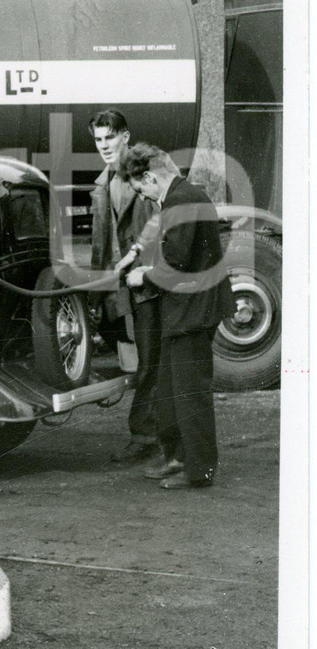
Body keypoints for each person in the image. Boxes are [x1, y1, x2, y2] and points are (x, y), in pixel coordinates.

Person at [119, 143, 235, 490]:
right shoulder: (181, 196)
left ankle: (199, 471)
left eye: (141, 189)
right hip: (187, 309)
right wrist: (138, 255)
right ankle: (178, 457)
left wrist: (142, 276)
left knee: (190, 393)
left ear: (150, 177)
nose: (142, 196)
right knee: (171, 389)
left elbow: (177, 262)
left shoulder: (180, 201)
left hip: (193, 311)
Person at [87, 109, 161, 463]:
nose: (104, 146)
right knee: (139, 360)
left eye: (110, 137)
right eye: (98, 139)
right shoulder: (102, 185)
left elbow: (171, 218)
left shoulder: (152, 171)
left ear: (126, 137)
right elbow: (99, 247)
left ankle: (148, 436)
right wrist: (96, 294)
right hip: (121, 287)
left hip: (152, 283)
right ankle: (153, 433)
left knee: (151, 361)